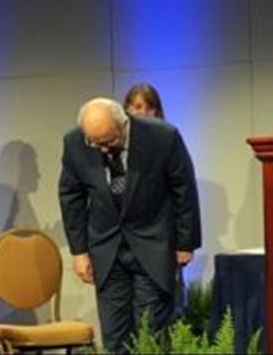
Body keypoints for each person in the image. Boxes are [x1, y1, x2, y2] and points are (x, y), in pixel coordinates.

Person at [58, 98, 201, 353]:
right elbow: (71, 196)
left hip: (153, 244)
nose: (102, 150)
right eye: (95, 143)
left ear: (123, 123)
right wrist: (79, 252)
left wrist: (186, 243)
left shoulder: (162, 136)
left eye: (109, 141)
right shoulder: (75, 142)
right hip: (106, 249)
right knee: (115, 335)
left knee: (151, 331)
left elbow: (184, 190)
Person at [123, 83, 186, 319]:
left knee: (154, 317)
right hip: (125, 245)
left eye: (150, 108)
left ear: (158, 112)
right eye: (137, 107)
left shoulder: (167, 139)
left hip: (159, 240)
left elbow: (183, 193)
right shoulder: (116, 146)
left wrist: (184, 243)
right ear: (126, 110)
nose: (143, 113)